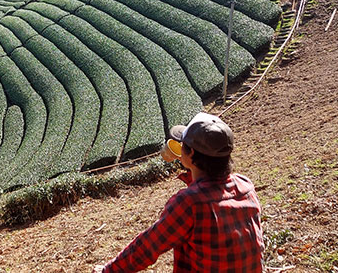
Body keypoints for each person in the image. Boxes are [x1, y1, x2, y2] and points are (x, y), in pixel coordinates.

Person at [93, 112, 264, 273]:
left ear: (190, 153)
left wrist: (107, 271)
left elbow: (148, 247)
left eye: (183, 145)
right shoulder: (245, 185)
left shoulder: (190, 202)